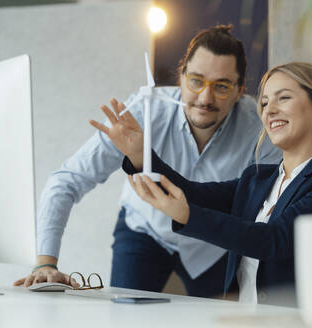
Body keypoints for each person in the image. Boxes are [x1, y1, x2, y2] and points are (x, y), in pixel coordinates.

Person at [14, 25, 281, 297]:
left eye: (222, 86)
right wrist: (45, 262)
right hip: (145, 230)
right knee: (125, 316)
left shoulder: (261, 129)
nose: (205, 98)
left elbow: (268, 214)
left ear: (239, 90)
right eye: (196, 81)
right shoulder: (143, 110)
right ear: (181, 77)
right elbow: (68, 179)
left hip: (213, 245)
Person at [92, 62, 312, 304]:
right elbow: (191, 192)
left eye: (283, 97)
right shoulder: (257, 178)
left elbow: (275, 240)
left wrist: (188, 215)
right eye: (264, 102)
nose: (269, 109)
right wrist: (140, 154)